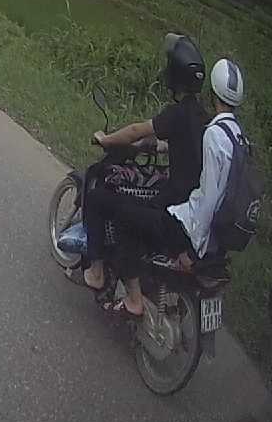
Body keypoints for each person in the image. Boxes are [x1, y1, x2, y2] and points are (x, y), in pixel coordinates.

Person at [95, 59, 246, 317]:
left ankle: (133, 300)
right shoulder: (236, 135)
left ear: (212, 93)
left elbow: (209, 196)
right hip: (218, 237)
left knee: (124, 217)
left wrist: (191, 250)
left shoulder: (213, 134)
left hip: (189, 228)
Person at [81, 33, 208, 294]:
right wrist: (156, 145)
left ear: (173, 74)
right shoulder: (202, 117)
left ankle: (97, 273)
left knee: (98, 200)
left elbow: (137, 130)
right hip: (191, 206)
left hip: (173, 203)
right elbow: (183, 145)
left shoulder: (177, 113)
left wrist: (107, 140)